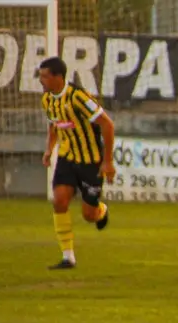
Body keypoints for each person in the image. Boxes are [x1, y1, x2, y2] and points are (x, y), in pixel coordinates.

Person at [39, 57, 114, 270]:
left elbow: (107, 125)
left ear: (57, 77)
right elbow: (55, 126)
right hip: (67, 158)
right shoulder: (47, 100)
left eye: (44, 76)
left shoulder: (78, 97)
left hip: (91, 161)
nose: (41, 80)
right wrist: (49, 149)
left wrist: (107, 162)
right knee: (59, 201)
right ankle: (68, 257)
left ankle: (100, 210)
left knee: (89, 215)